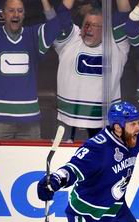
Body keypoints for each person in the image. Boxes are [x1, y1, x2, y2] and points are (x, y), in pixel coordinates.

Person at [0, 0, 74, 139]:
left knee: (30, 162)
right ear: (3, 14)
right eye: (11, 10)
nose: (16, 14)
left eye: (20, 11)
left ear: (24, 15)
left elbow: (57, 24)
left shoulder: (33, 36)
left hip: (29, 121)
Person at [41, 0, 131, 141]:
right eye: (86, 24)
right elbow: (62, 13)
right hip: (67, 124)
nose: (88, 29)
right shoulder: (70, 40)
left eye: (95, 25)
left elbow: (124, 15)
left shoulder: (116, 45)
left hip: (103, 125)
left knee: (101, 163)